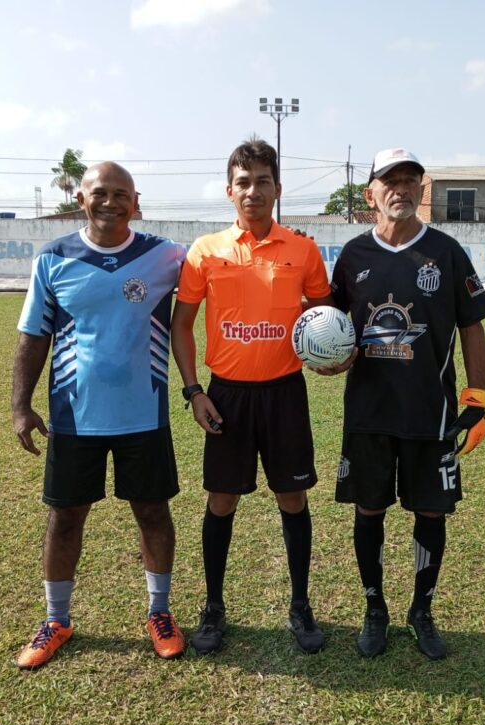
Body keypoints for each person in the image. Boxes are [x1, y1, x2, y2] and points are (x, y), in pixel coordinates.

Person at [11, 162, 187, 669]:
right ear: (81, 199)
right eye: (99, 193)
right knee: (65, 518)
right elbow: (33, 336)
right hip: (74, 417)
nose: (110, 201)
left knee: (153, 513)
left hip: (144, 415)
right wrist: (21, 407)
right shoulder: (53, 257)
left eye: (121, 194)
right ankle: (56, 620)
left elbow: (223, 274)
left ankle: (160, 613)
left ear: (136, 202)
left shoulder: (166, 256)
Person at [325, 148, 485, 660]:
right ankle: (374, 608)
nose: (400, 189)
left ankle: (421, 610)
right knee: (369, 508)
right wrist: (328, 358)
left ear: (422, 190)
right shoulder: (353, 256)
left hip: (431, 413)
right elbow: (331, 331)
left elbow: (472, 327)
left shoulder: (445, 252)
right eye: (389, 181)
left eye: (410, 181)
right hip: (369, 414)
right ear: (370, 193)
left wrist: (477, 398)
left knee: (430, 512)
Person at [171, 137, 332, 655]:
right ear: (229, 191)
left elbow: (326, 319)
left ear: (277, 189)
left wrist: (330, 355)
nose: (253, 191)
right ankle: (213, 607)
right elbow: (182, 326)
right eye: (244, 182)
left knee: (293, 497)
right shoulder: (205, 251)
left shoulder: (303, 249)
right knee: (221, 500)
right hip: (227, 396)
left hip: (285, 394)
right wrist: (194, 391)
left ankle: (301, 605)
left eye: (263, 181)